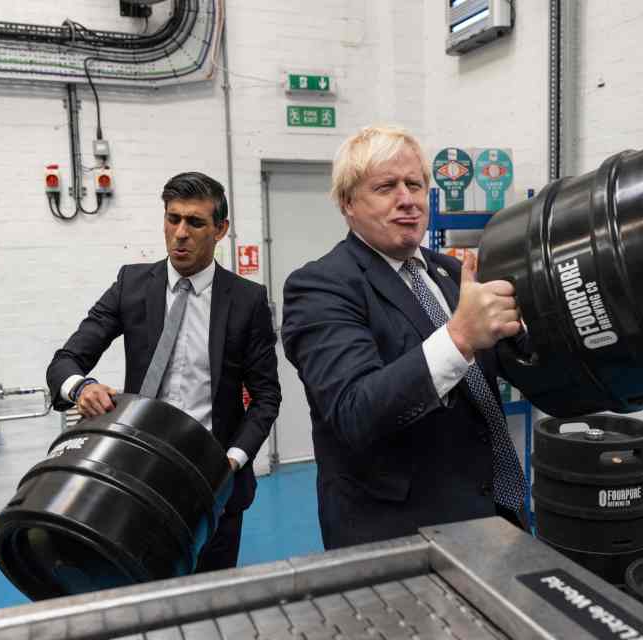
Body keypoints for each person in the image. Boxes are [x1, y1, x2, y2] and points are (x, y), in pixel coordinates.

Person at [281, 125, 532, 550]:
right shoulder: (321, 286)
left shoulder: (452, 274)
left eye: (415, 184)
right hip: (399, 532)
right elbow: (354, 409)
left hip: (495, 511)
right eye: (385, 187)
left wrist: (525, 330)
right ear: (347, 203)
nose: (407, 199)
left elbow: (505, 365)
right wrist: (458, 338)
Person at [46, 171, 281, 571]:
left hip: (213, 478)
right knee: (143, 589)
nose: (181, 233)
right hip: (134, 471)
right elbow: (65, 360)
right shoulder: (131, 285)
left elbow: (266, 397)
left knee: (212, 598)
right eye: (173, 219)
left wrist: (232, 461)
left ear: (220, 229)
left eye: (195, 222)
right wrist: (80, 387)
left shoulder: (247, 301)